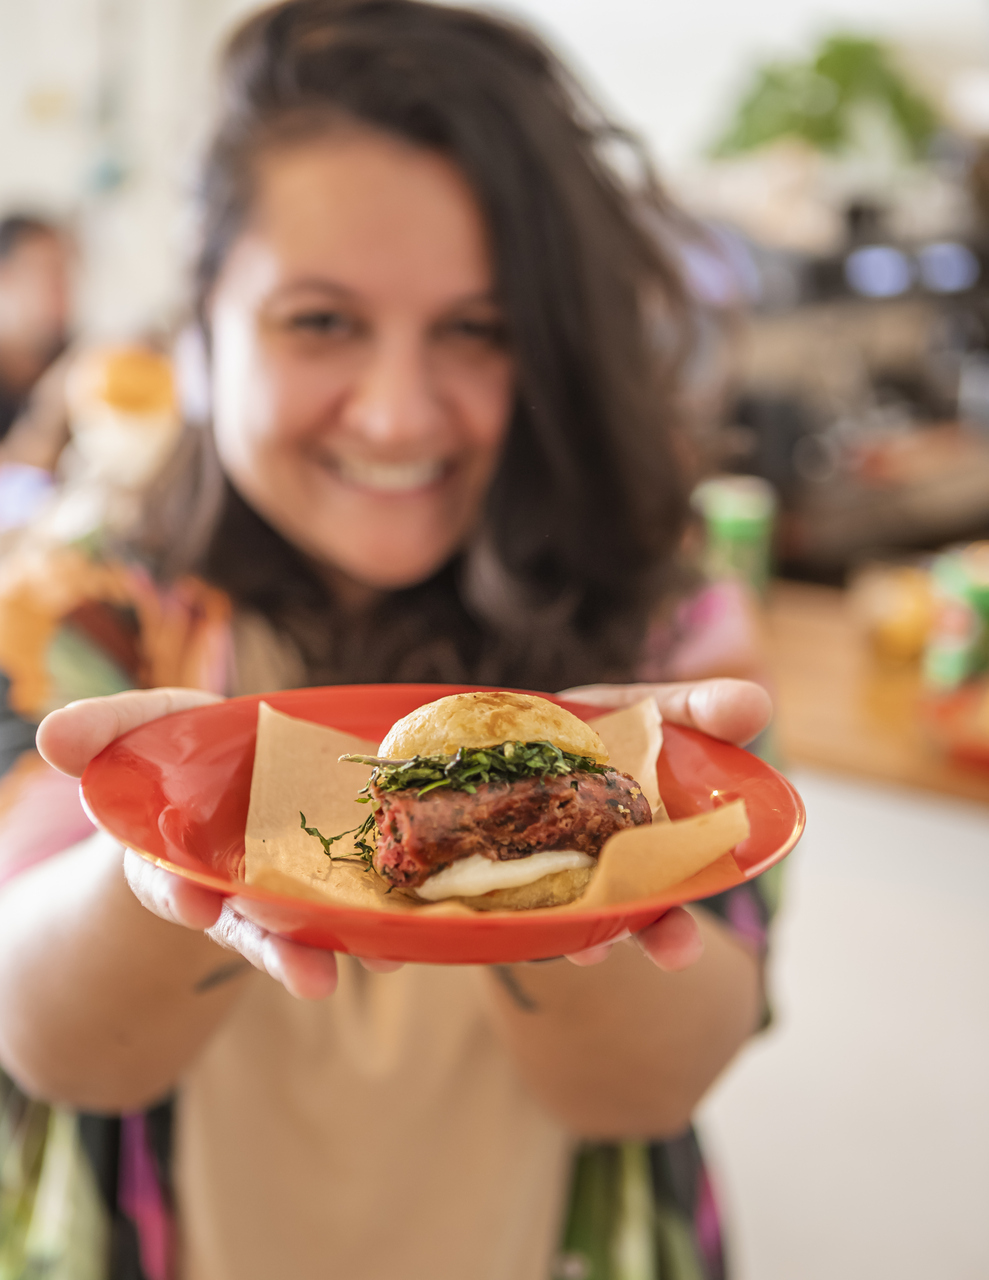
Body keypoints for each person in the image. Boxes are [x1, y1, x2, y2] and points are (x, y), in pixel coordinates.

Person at [0, 3, 778, 1278]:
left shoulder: (669, 628)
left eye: (475, 329)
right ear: (198, 327)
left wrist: (576, 847)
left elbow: (647, 1086)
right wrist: (169, 860)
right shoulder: (86, 598)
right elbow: (59, 1045)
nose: (397, 410)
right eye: (320, 320)